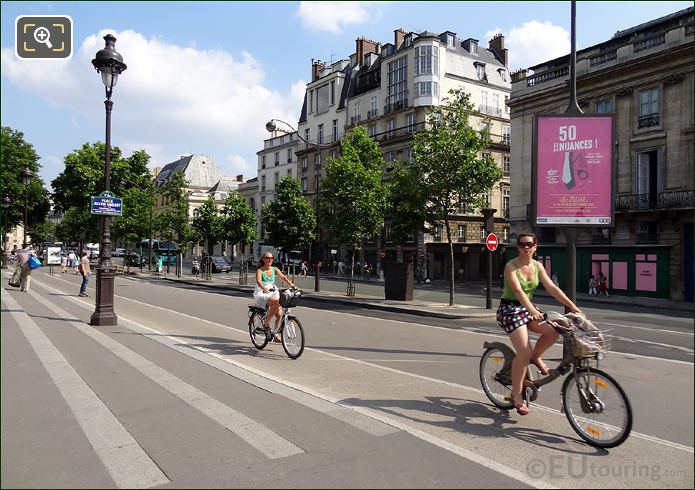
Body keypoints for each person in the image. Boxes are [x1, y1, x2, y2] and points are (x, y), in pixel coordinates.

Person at [497, 233, 581, 416]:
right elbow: (518, 292)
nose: (525, 247)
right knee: (524, 353)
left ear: (536, 246)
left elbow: (552, 288)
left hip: (528, 309)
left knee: (553, 333)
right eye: (521, 244)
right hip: (510, 310)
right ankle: (516, 395)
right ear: (518, 247)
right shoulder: (511, 266)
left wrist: (573, 306)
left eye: (529, 244)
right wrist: (533, 311)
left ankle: (535, 357)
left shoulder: (537, 266)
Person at [253, 253, 295, 342]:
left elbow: (283, 277)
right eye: (267, 258)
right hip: (262, 293)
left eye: (271, 258)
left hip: (273, 292)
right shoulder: (260, 271)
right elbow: (259, 281)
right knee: (277, 302)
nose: (270, 259)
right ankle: (266, 323)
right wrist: (264, 288)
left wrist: (291, 284)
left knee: (279, 315)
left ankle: (276, 334)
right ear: (263, 259)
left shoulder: (274, 269)